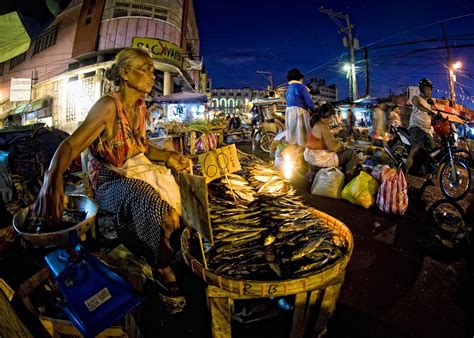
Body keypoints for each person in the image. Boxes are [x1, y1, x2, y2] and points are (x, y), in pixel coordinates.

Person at [33, 48, 189, 294]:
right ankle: (160, 264)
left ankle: (162, 242)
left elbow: (142, 147)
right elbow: (71, 145)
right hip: (108, 180)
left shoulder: (140, 108)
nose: (153, 76)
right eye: (146, 69)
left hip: (131, 170)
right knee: (149, 199)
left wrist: (169, 156)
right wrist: (51, 180)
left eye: (153, 71)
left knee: (179, 194)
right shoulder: (108, 106)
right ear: (125, 73)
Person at [304, 103, 359, 183]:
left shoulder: (316, 123)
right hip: (319, 159)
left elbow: (326, 142)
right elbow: (333, 148)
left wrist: (336, 141)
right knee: (351, 154)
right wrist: (341, 145)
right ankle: (348, 181)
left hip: (312, 156)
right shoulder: (323, 126)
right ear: (330, 116)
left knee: (343, 151)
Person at [405, 78, 437, 176]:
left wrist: (438, 117)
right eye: (427, 89)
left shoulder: (430, 103)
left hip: (427, 130)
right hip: (416, 127)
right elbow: (418, 106)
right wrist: (430, 111)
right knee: (415, 149)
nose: (429, 91)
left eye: (430, 89)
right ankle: (404, 174)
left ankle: (427, 171)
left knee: (433, 150)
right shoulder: (416, 98)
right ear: (422, 89)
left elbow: (430, 115)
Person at [284, 68, 316, 147]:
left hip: (289, 112)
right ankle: (303, 153)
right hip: (299, 112)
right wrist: (314, 110)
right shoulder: (301, 87)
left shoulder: (289, 88)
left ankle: (293, 152)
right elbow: (309, 102)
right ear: (300, 78)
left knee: (292, 134)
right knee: (302, 135)